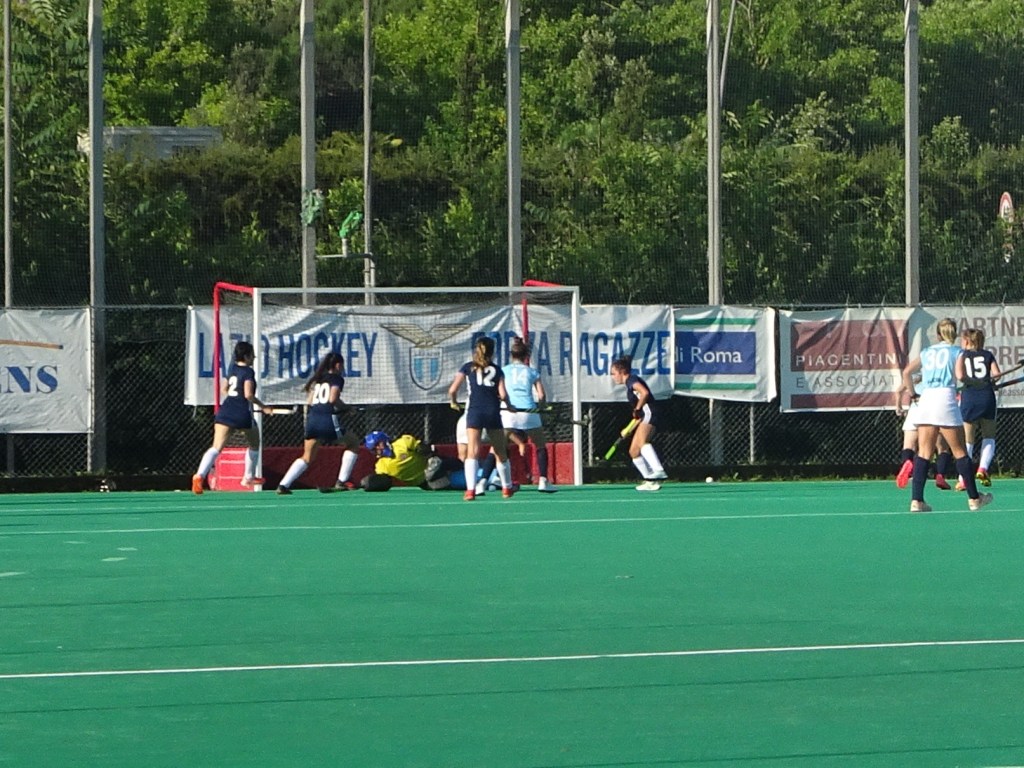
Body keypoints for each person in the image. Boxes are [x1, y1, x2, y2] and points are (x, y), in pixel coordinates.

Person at [898, 318, 992, 513]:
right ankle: (974, 498)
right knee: (960, 452)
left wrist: (913, 394)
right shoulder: (957, 351)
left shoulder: (927, 352)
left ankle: (917, 501)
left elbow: (906, 373)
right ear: (954, 334)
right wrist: (978, 383)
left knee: (924, 453)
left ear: (938, 334)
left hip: (926, 400)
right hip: (945, 400)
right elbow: (960, 376)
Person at [192, 340, 272, 493]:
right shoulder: (248, 372)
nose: (254, 358)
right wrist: (264, 407)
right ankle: (248, 477)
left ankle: (199, 475)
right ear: (246, 356)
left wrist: (234, 397)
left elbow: (224, 389)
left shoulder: (232, 369)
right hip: (242, 413)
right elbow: (248, 395)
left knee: (216, 447)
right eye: (252, 355)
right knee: (255, 443)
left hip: (226, 411)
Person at [277, 352, 360, 495]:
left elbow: (310, 402)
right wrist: (347, 408)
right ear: (338, 365)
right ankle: (342, 481)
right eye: (342, 365)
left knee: (307, 457)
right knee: (353, 443)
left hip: (312, 420)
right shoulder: (337, 379)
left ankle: (283, 485)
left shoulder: (318, 380)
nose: (343, 368)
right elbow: (332, 399)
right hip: (327, 421)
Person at [447, 335, 517, 500]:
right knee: (500, 450)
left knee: (473, 451)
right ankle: (507, 488)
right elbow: (503, 394)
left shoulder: (467, 367)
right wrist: (509, 406)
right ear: (492, 352)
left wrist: (454, 402)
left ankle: (470, 490)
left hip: (475, 412)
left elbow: (452, 390)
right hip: (492, 411)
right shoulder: (497, 370)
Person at [501, 336, 557, 492]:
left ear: (511, 355)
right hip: (529, 412)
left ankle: (497, 480)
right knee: (540, 445)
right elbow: (541, 395)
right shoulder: (532, 372)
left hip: (509, 412)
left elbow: (500, 392)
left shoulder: (503, 371)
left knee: (500, 446)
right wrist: (542, 409)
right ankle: (543, 481)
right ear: (526, 356)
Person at [610, 354, 667, 492]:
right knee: (634, 451)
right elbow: (638, 416)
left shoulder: (632, 380)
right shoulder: (629, 385)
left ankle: (659, 470)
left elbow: (645, 393)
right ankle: (650, 481)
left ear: (622, 372)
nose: (613, 377)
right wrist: (628, 429)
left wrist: (637, 408)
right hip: (645, 415)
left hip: (650, 413)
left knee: (642, 443)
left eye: (613, 373)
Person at [955, 327, 1001, 490]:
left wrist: (972, 382)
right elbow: (997, 374)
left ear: (967, 341)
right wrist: (990, 382)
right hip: (986, 397)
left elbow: (960, 376)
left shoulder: (962, 355)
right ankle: (983, 468)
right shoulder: (988, 355)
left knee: (967, 440)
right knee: (989, 436)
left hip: (970, 397)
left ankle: (963, 478)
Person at [360, 430, 463, 490]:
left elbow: (425, 449)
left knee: (450, 463)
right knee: (452, 483)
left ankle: (466, 468)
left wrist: (429, 457)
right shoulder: (381, 466)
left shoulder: (403, 442)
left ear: (384, 440)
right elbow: (384, 482)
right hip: (425, 482)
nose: (378, 449)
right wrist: (370, 483)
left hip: (436, 466)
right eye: (374, 449)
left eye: (378, 444)